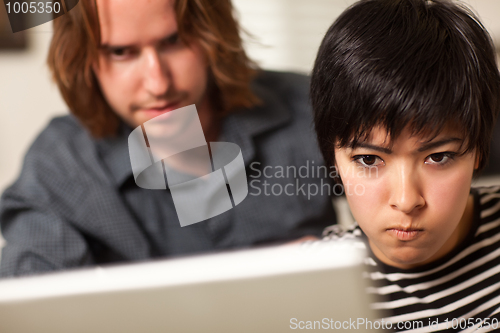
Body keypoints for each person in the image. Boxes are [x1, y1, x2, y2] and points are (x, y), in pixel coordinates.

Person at [0, 0, 336, 277]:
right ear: (82, 59)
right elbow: (31, 305)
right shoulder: (60, 164)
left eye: (173, 41)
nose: (158, 83)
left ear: (212, 36)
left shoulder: (309, 104)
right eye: (121, 52)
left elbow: (388, 229)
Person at [310, 0, 500, 331]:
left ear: (478, 154)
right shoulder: (314, 282)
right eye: (369, 159)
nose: (407, 200)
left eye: (438, 157)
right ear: (334, 160)